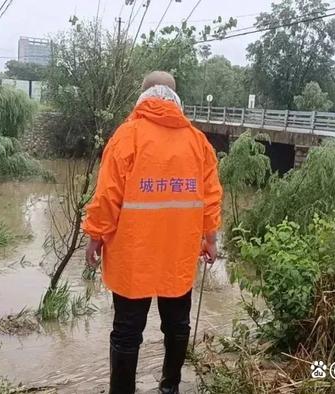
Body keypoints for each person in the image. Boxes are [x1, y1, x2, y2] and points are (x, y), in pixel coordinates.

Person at [82, 71, 223, 393]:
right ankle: (170, 387)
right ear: (175, 98)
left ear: (143, 95)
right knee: (177, 324)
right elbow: (211, 195)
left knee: (127, 332)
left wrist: (95, 236)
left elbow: (107, 196)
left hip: (134, 254)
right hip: (179, 251)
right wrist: (210, 237)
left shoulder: (127, 136)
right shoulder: (197, 141)